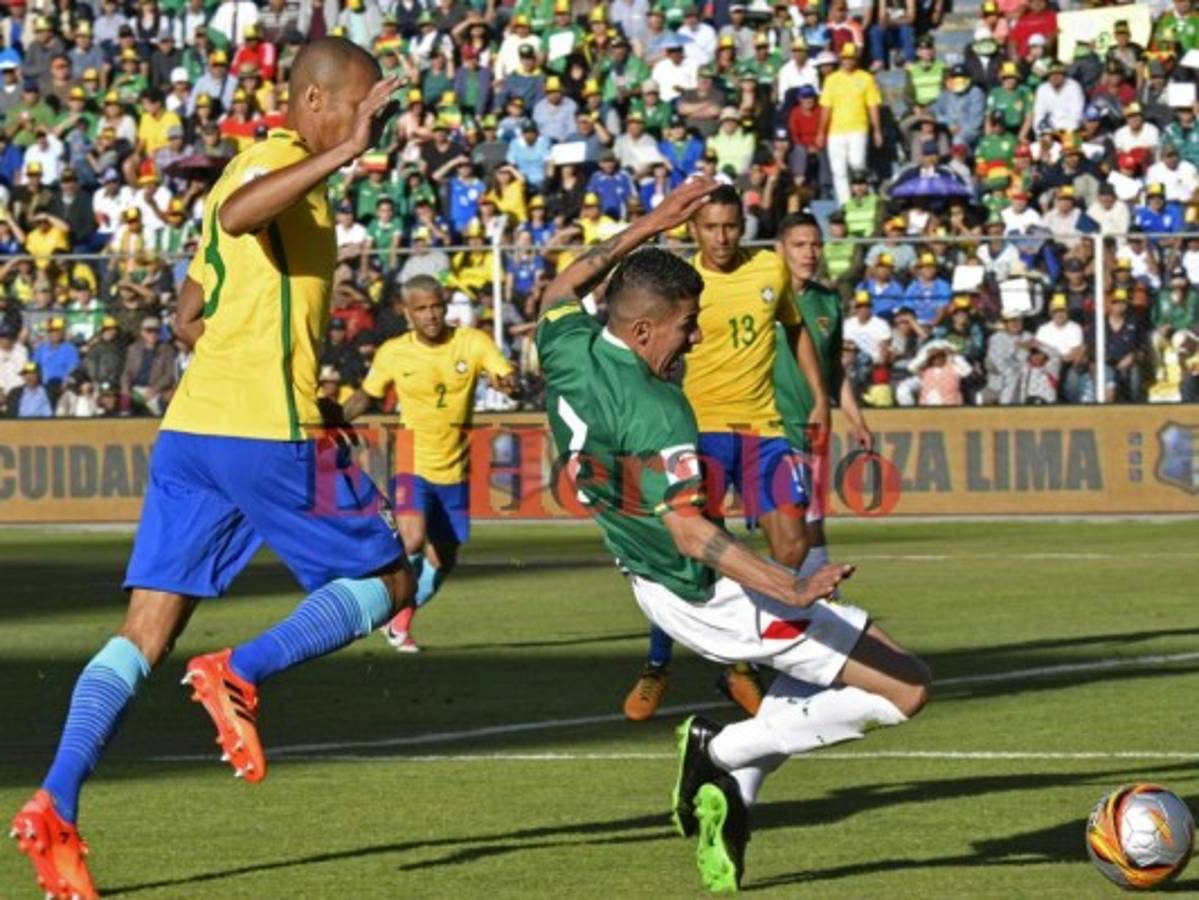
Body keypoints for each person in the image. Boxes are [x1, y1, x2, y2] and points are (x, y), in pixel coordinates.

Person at [9, 39, 417, 900]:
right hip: (261, 431)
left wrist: (282, 370)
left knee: (142, 633)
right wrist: (345, 152)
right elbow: (237, 217)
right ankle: (241, 672)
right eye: (357, 107)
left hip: (197, 430)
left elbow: (192, 313)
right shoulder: (272, 163)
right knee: (392, 578)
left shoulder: (271, 173)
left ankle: (56, 800)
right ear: (314, 100)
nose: (367, 123)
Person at [535, 177, 929, 892]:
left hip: (647, 581)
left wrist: (654, 220)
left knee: (813, 677)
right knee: (904, 690)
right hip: (711, 595)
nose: (697, 335)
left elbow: (564, 283)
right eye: (688, 324)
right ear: (646, 330)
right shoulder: (660, 412)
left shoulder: (567, 346)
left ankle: (734, 792)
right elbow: (690, 531)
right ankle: (721, 750)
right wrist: (791, 583)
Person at [621, 185, 798, 722]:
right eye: (711, 228)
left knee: (792, 544)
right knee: (689, 556)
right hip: (695, 432)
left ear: (743, 224)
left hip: (764, 430)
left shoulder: (771, 270)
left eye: (730, 226)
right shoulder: (679, 287)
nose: (722, 237)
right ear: (693, 231)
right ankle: (657, 665)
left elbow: (796, 330)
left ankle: (740, 662)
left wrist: (821, 397)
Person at [343, 276, 516, 652]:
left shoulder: (472, 342)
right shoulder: (393, 352)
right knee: (413, 539)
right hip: (412, 457)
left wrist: (509, 383)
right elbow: (366, 396)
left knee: (443, 559)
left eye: (436, 305)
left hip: (456, 465)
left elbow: (505, 374)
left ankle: (398, 619)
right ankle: (369, 603)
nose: (431, 315)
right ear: (407, 313)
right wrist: (335, 422)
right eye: (421, 309)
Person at [771, 213, 874, 638]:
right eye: (799, 244)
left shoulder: (827, 302)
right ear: (780, 248)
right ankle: (799, 602)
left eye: (815, 244)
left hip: (813, 428)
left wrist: (856, 416)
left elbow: (834, 370)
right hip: (768, 426)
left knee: (810, 517)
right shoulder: (764, 298)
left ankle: (809, 600)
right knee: (793, 521)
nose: (809, 253)